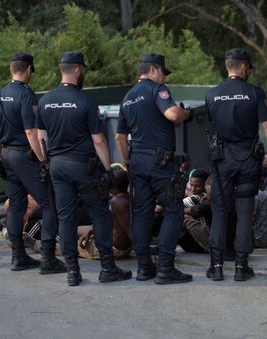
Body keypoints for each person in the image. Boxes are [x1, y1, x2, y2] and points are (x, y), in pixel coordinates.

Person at [37, 51, 131, 286]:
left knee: (65, 217)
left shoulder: (45, 100)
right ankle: (107, 268)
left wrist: (47, 162)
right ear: (78, 69)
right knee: (100, 213)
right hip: (84, 166)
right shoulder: (86, 101)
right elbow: (98, 140)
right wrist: (108, 170)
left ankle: (72, 271)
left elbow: (41, 138)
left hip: (57, 165)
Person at [204, 48, 267, 282]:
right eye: (249, 67)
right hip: (248, 158)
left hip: (222, 159)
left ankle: (216, 266)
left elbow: (209, 131)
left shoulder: (212, 95)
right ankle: (241, 267)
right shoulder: (254, 93)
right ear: (243, 66)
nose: (250, 71)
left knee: (219, 211)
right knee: (244, 212)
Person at [115, 53, 192, 284]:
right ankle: (166, 268)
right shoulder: (158, 90)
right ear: (155, 69)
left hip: (137, 162)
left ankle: (144, 268)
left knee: (141, 214)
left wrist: (129, 161)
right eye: (162, 73)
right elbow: (172, 114)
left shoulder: (127, 98)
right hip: (160, 162)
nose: (163, 78)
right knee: (173, 209)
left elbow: (120, 137)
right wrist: (187, 113)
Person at [0, 52, 66, 274]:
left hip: (6, 155)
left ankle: (18, 256)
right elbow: (31, 131)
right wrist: (43, 160)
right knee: (50, 203)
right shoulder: (26, 95)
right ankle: (49, 259)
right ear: (29, 69)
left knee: (16, 204)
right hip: (24, 155)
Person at [77, 164, 133, 260]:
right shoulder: (125, 197)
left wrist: (143, 254)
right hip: (114, 242)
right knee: (77, 230)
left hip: (114, 249)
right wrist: (90, 232)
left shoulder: (118, 202)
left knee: (68, 245)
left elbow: (129, 230)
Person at [180, 169, 211, 252]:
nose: (193, 189)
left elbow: (195, 210)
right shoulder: (197, 197)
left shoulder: (202, 197)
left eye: (197, 186)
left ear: (206, 185)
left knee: (183, 218)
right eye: (191, 185)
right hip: (194, 244)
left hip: (206, 243)